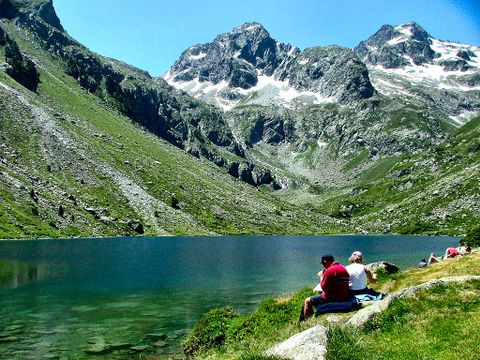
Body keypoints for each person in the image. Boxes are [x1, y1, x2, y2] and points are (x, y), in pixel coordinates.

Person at [301, 254, 350, 320]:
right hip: (344, 296)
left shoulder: (329, 270)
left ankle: (308, 320)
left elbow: (323, 287)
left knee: (307, 301)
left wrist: (321, 276)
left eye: (322, 264)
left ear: (325, 261)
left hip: (333, 297)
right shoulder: (343, 268)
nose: (323, 266)